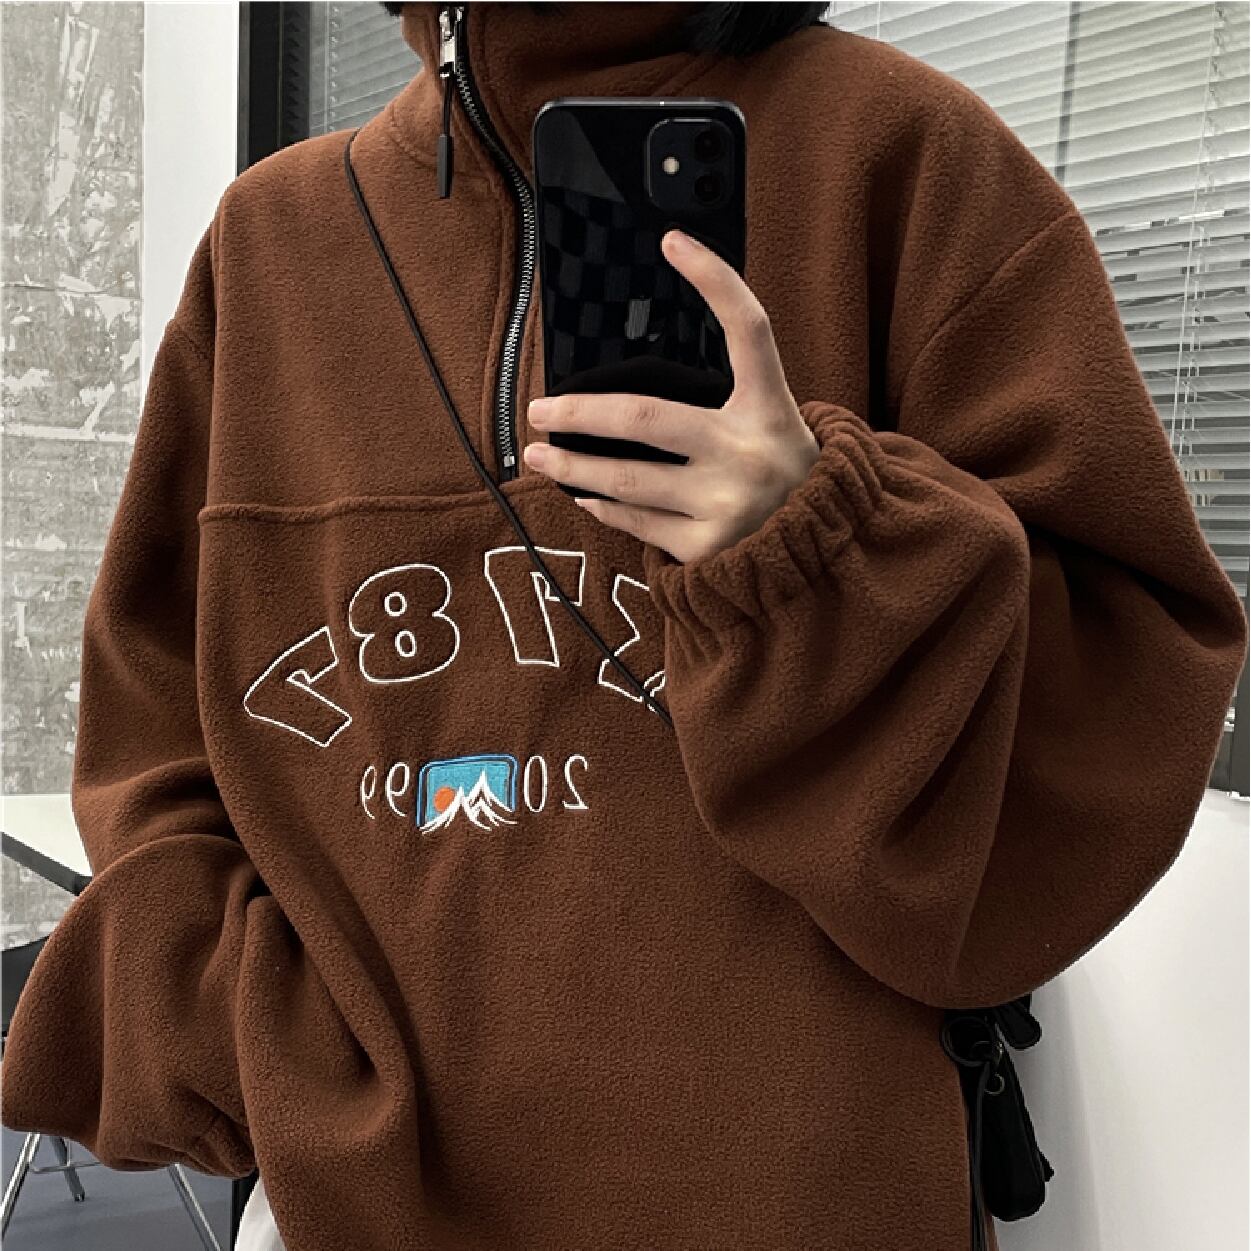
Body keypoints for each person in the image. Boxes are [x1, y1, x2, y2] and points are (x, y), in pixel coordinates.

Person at [2, 3, 1246, 1249]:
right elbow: (156, 732)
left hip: (797, 1212)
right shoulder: (272, 241)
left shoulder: (901, 154)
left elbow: (1111, 728)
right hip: (360, 1216)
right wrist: (250, 1043)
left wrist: (814, 546)